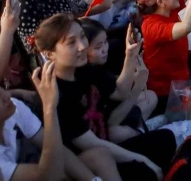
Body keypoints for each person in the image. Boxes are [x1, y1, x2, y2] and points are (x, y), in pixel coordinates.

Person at [33, 14, 174, 181]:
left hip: (107, 143)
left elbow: (120, 92)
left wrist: (130, 56)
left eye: (82, 37)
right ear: (50, 54)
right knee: (147, 171)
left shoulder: (85, 69)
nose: (82, 46)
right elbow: (91, 144)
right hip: (90, 166)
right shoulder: (54, 94)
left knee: (166, 139)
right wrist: (144, 160)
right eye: (71, 43)